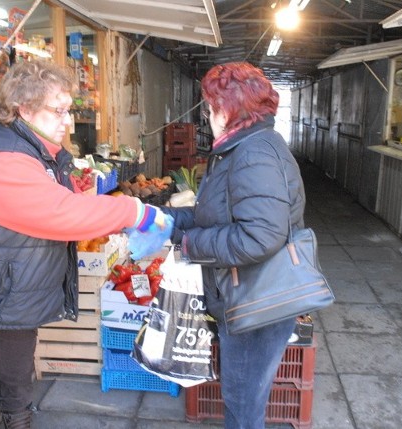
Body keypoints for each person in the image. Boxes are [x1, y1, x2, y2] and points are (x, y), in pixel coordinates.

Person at [0, 59, 168, 429]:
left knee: (16, 374)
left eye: (69, 110)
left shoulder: (40, 153)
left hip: (12, 286)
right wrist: (134, 212)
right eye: (59, 111)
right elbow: (62, 214)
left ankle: (17, 422)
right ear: (23, 109)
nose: (68, 120)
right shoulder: (3, 161)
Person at [161, 62, 306, 429]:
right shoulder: (242, 148)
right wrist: (168, 220)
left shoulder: (253, 154)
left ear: (228, 109)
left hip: (256, 303)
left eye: (210, 107)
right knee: (242, 397)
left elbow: (260, 236)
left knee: (242, 405)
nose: (208, 115)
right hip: (243, 294)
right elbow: (222, 214)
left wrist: (189, 242)